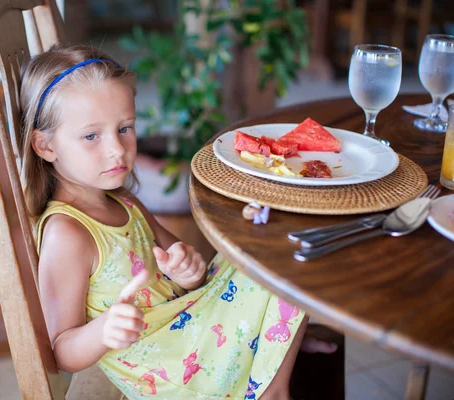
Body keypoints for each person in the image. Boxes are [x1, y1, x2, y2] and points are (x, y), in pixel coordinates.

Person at [20, 44, 335, 399]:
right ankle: (272, 390)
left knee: (266, 240)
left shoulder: (122, 198)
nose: (116, 149)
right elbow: (61, 350)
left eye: (125, 128)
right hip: (171, 365)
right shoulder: (68, 233)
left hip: (186, 321)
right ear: (45, 146)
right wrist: (103, 331)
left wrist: (187, 268)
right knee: (284, 260)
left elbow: (189, 271)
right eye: (92, 136)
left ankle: (277, 346)